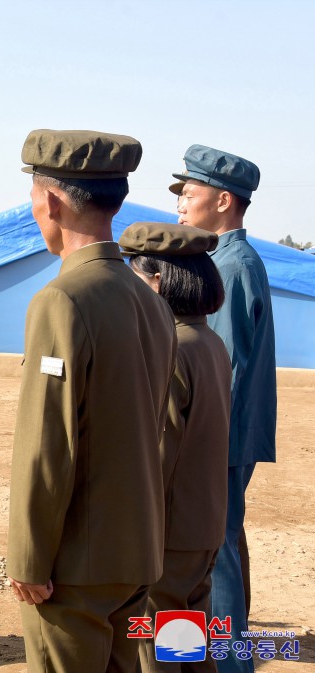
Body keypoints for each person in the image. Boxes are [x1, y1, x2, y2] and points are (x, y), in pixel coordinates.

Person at [8, 130, 178, 672]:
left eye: (35, 196)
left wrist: (30, 558)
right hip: (136, 551)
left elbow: (47, 443)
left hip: (77, 563)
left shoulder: (63, 299)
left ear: (50, 201)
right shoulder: (149, 301)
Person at [170, 146, 274, 673]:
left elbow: (222, 368)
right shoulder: (229, 260)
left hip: (222, 434)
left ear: (223, 200)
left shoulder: (229, 267)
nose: (181, 205)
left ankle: (229, 664)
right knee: (222, 541)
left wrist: (192, 439)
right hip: (231, 432)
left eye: (190, 194)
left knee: (213, 550)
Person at [120, 222, 232, 673]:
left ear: (157, 282)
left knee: (157, 648)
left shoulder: (172, 347)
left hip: (169, 530)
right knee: (188, 644)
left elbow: (161, 453)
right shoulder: (210, 342)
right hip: (203, 524)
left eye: (134, 277)